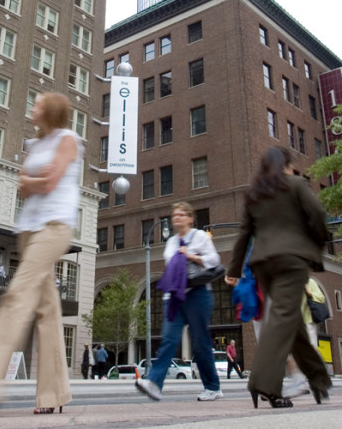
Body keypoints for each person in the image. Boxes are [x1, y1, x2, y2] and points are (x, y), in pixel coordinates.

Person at [0, 92, 83, 415]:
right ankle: (53, 395)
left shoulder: (69, 139)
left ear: (51, 110)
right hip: (28, 229)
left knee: (17, 295)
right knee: (47, 313)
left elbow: (47, 184)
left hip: (56, 226)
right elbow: (24, 184)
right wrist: (35, 180)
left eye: (37, 104)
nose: (32, 107)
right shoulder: (34, 145)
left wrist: (33, 181)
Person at [225, 146, 331, 409]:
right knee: (284, 317)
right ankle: (263, 382)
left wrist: (234, 270)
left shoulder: (255, 194)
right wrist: (318, 242)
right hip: (292, 260)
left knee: (291, 321)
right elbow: (317, 214)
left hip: (262, 264)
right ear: (285, 165)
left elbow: (243, 234)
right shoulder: (296, 184)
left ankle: (318, 380)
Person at [136, 201, 223, 403]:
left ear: (191, 218)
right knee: (168, 339)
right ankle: (154, 383)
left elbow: (214, 260)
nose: (177, 217)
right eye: (175, 214)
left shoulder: (200, 237)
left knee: (201, 344)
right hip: (175, 296)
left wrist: (191, 256)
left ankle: (213, 387)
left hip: (198, 294)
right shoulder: (171, 242)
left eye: (182, 214)